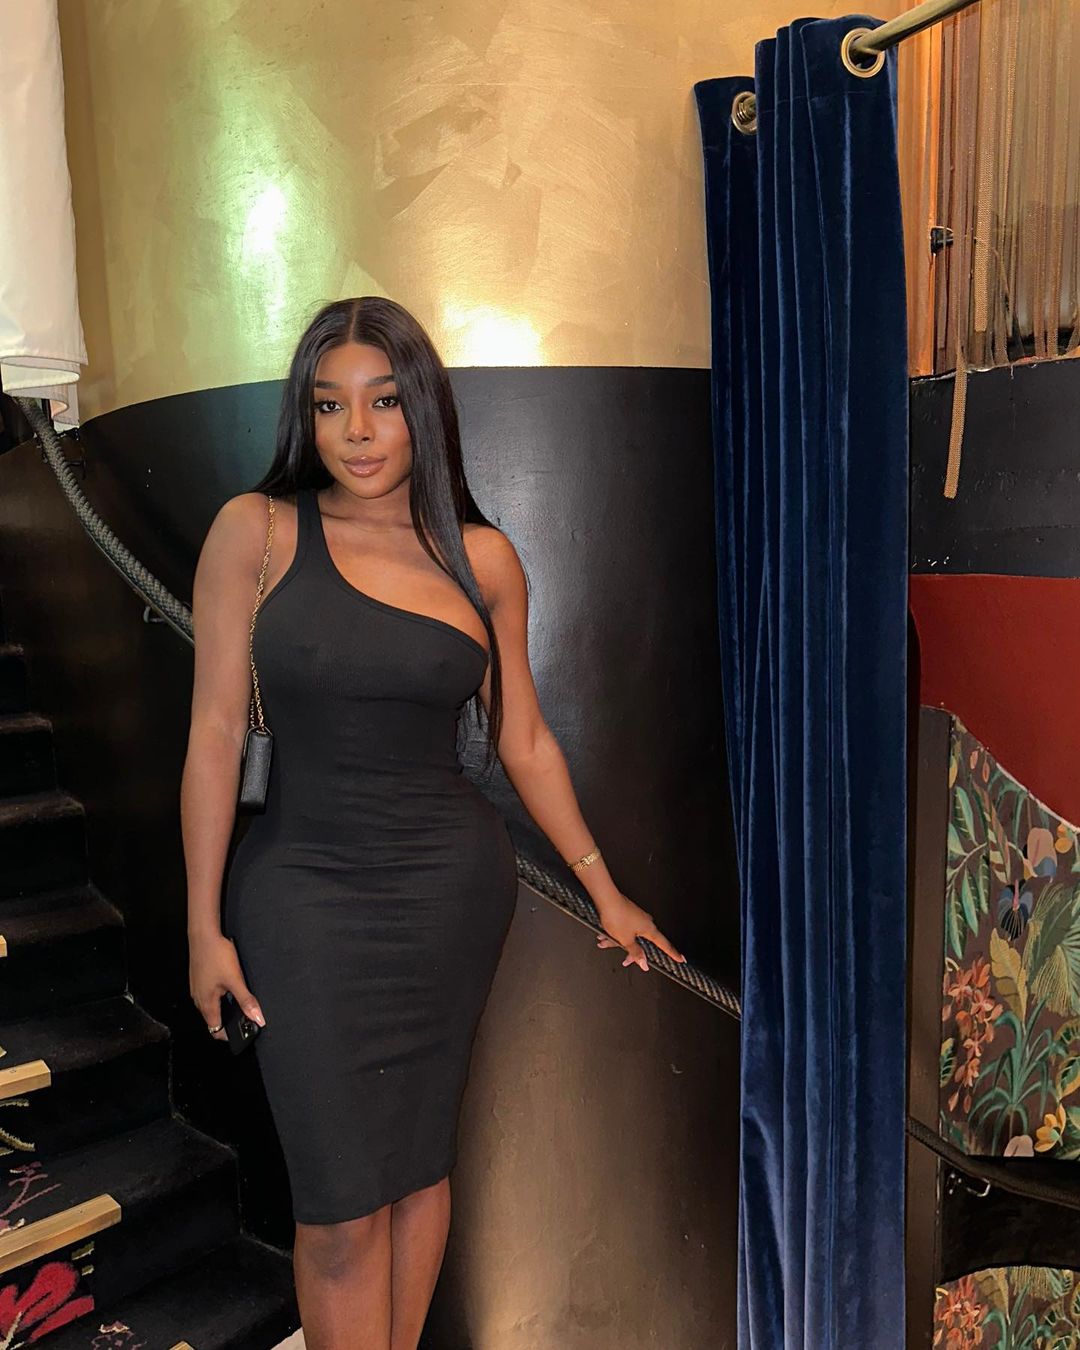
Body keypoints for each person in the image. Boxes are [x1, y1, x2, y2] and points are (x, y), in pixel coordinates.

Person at [180, 295, 686, 1349]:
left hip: (447, 898)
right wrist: (202, 926)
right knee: (338, 1208)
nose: (357, 431)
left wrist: (606, 891)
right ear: (306, 417)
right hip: (302, 900)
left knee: (417, 1171)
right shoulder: (257, 532)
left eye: (383, 401)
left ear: (423, 409)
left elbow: (524, 740)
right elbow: (217, 734)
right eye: (330, 405)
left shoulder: (481, 559)